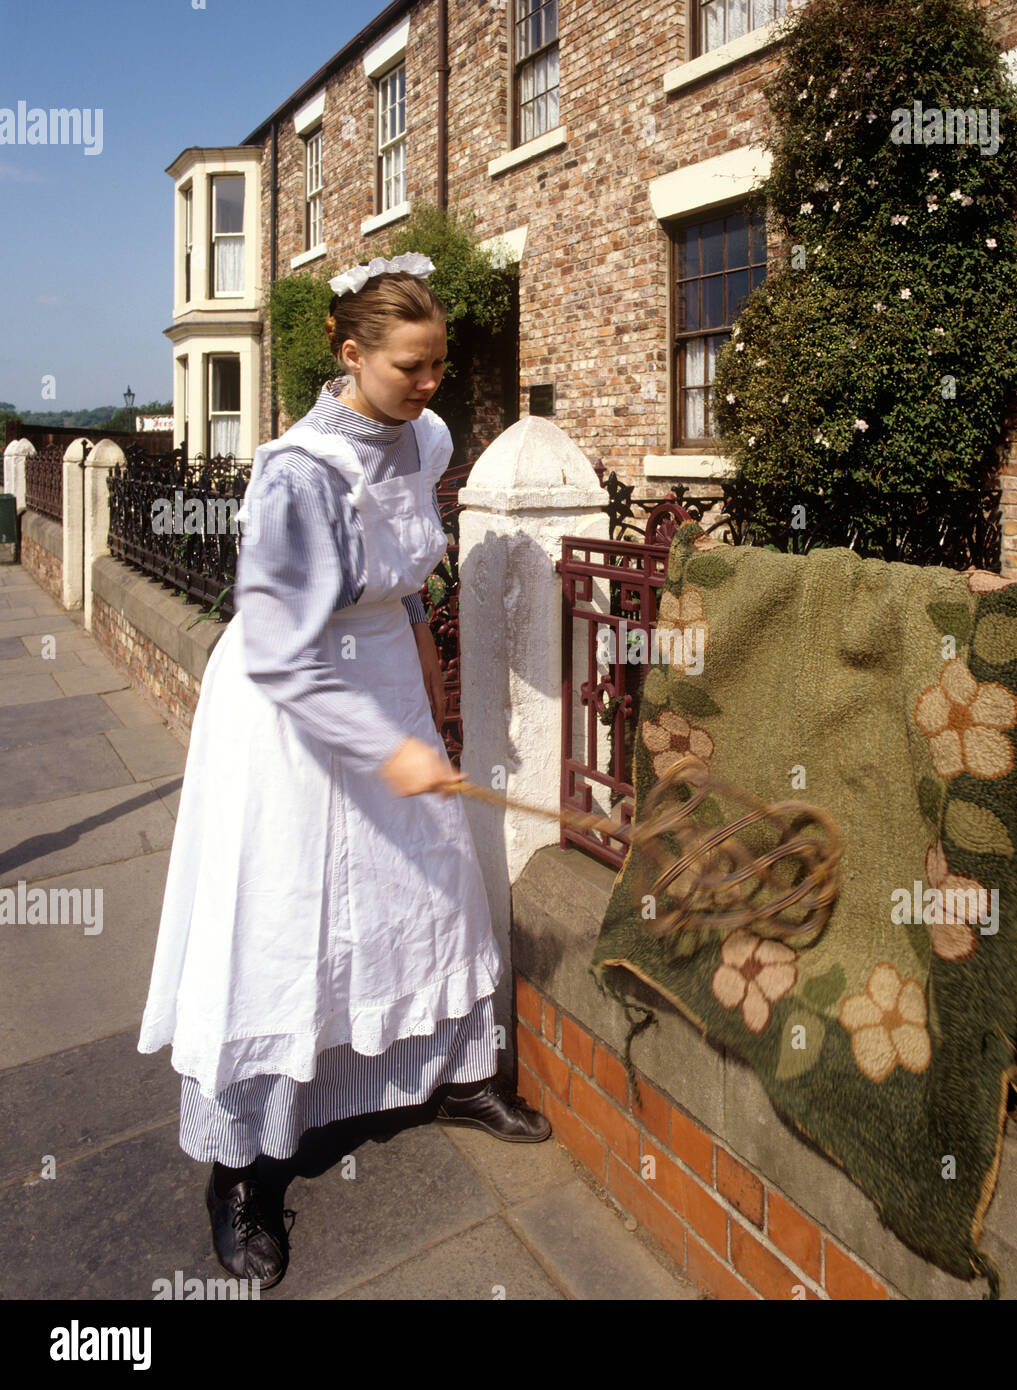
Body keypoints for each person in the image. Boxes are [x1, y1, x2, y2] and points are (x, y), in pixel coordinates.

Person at [138, 252, 548, 1290]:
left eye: (439, 364)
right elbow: (276, 648)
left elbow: (408, 582)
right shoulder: (295, 474)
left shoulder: (429, 435)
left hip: (386, 689)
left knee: (427, 885)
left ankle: (450, 1074)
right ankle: (244, 1172)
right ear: (349, 351)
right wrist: (383, 744)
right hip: (292, 709)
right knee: (289, 917)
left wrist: (423, 687)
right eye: (411, 365)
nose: (430, 385)